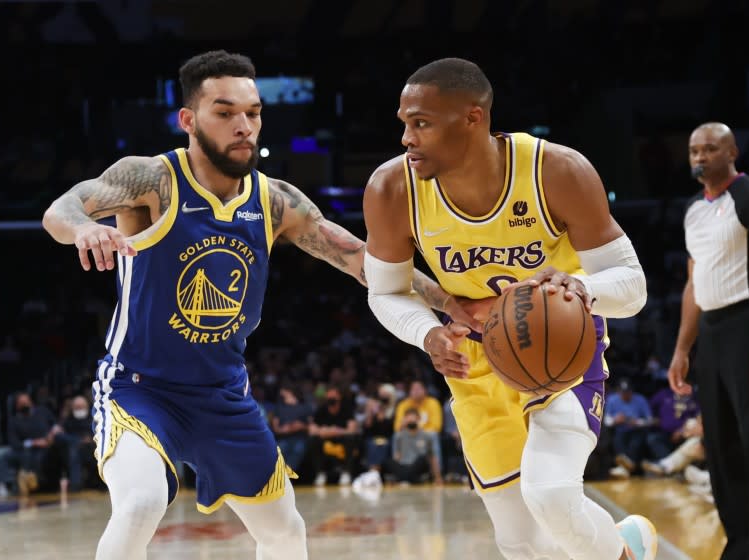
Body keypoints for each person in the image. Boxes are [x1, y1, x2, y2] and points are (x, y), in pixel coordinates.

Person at [41, 50, 466, 560]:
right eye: (225, 113)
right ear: (189, 120)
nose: (244, 126)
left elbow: (360, 259)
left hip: (222, 395)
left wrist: (447, 301)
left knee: (286, 531)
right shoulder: (150, 180)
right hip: (141, 390)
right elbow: (61, 208)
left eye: (253, 113)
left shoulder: (275, 200)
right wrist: (84, 228)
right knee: (141, 503)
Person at [362, 57, 655, 559]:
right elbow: (385, 291)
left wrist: (579, 288)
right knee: (520, 542)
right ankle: (627, 548)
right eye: (405, 124)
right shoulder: (391, 189)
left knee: (552, 496)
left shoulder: (557, 170)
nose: (407, 138)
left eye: (422, 123)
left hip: (558, 349)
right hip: (476, 363)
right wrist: (427, 334)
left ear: (474, 117)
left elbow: (632, 285)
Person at [668, 122, 749, 559]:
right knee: (722, 443)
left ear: (733, 152)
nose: (700, 157)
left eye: (710, 149)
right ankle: (740, 543)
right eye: (694, 150)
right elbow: (694, 285)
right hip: (711, 332)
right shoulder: (693, 209)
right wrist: (682, 348)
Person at [308, 386, 359, 486]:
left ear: (339, 397)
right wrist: (325, 431)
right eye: (329, 397)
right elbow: (311, 430)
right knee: (312, 440)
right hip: (325, 439)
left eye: (333, 397)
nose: (331, 400)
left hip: (342, 439)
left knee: (351, 439)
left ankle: (346, 472)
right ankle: (320, 473)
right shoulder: (321, 410)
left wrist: (337, 431)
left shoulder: (346, 409)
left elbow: (352, 429)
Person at [603, 378, 653, 478]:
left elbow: (650, 420)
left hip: (637, 430)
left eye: (627, 392)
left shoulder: (640, 399)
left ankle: (624, 469)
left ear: (632, 391)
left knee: (635, 443)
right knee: (618, 441)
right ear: (618, 391)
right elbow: (606, 421)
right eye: (623, 392)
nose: (625, 395)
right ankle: (625, 468)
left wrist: (637, 422)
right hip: (619, 429)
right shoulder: (612, 399)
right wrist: (615, 420)